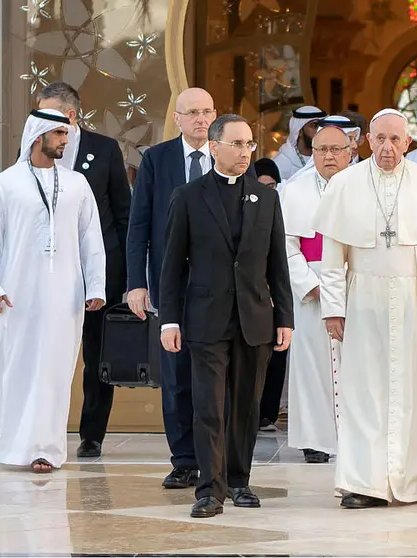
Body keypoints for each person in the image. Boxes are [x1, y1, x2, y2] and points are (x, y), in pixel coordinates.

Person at [311, 108, 417, 509]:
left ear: (408, 142)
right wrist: (333, 308)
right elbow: (332, 259)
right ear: (366, 139)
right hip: (364, 302)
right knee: (365, 393)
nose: (387, 148)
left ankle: (415, 481)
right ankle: (364, 483)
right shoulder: (345, 185)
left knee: (414, 392)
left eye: (395, 140)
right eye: (379, 139)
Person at [159, 114, 293, 518]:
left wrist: (284, 317)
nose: (245, 151)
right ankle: (209, 489)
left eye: (250, 144)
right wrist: (169, 320)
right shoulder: (187, 196)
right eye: (236, 143)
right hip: (205, 318)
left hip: (254, 319)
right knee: (209, 406)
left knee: (247, 406)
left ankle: (239, 481)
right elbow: (172, 265)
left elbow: (277, 264)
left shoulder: (266, 197)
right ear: (214, 147)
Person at [0, 109, 106, 473]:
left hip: (64, 295)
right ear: (39, 137)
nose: (67, 141)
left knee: (54, 371)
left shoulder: (77, 184)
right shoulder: (5, 183)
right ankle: (17, 446)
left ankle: (46, 449)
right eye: (60, 135)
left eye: (67, 134)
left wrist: (96, 284)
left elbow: (90, 238)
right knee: (15, 368)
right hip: (15, 295)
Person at [126, 87, 219, 489]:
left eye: (207, 112)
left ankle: (217, 459)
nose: (201, 119)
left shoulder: (229, 153)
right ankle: (183, 459)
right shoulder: (156, 160)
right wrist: (136, 284)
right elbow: (139, 224)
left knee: (216, 375)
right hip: (170, 283)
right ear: (177, 119)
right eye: (192, 113)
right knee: (176, 374)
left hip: (219, 286)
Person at [35, 81, 132, 459]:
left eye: (49, 112)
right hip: (48, 271)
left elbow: (123, 213)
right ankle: (46, 431)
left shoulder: (104, 149)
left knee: (95, 355)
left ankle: (92, 434)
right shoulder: (34, 150)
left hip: (97, 272)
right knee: (49, 353)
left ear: (71, 115)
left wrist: (124, 277)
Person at [281, 123, 354, 464]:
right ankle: (315, 440)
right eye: (322, 149)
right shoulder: (293, 191)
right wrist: (310, 284)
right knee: (311, 365)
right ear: (312, 152)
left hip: (358, 286)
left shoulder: (365, 188)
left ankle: (354, 435)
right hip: (311, 289)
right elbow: (285, 244)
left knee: (356, 366)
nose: (329, 156)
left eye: (336, 149)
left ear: (349, 152)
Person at [252, 157, 289, 432]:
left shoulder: (277, 204)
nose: (268, 190)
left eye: (272, 185)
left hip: (273, 292)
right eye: (262, 184)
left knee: (276, 355)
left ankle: (268, 413)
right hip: (252, 291)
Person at [272, 105, 327, 181]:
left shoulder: (326, 157)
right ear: (299, 131)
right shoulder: (280, 163)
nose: (319, 130)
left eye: (321, 127)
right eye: (314, 125)